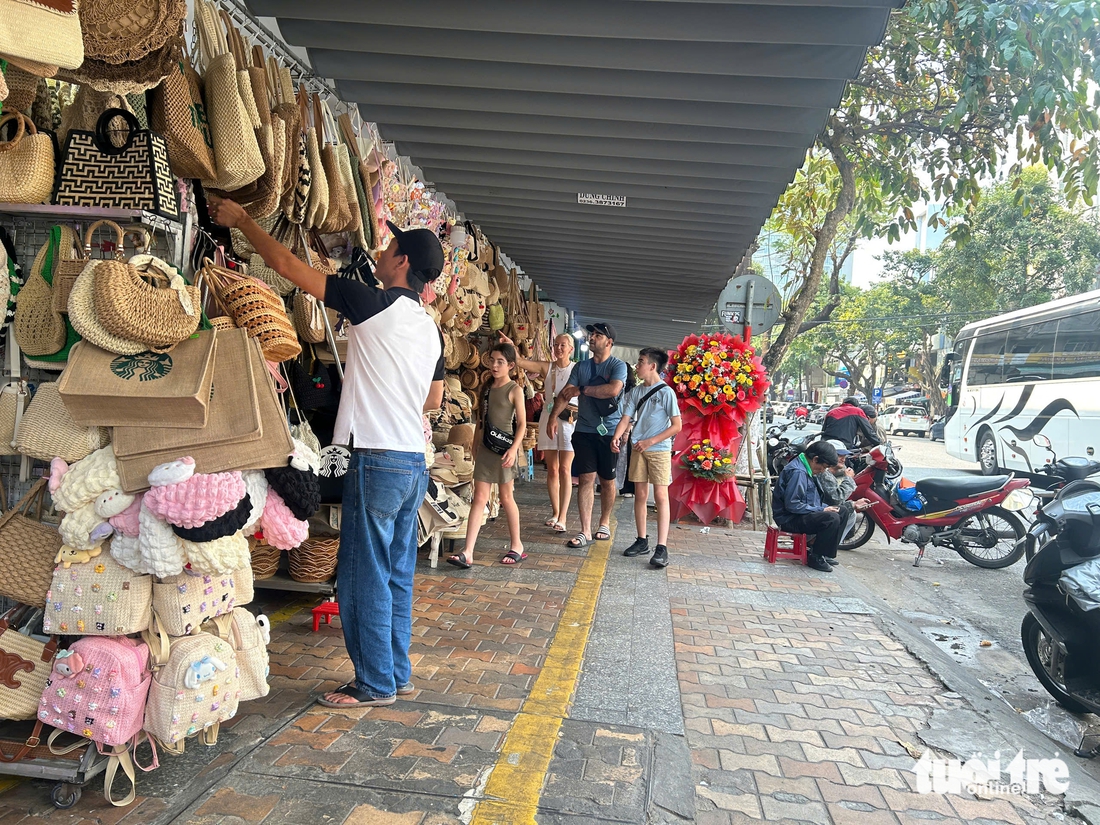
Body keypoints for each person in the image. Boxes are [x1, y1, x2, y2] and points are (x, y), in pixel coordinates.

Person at [209, 197, 444, 708]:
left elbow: (291, 269)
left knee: (361, 575)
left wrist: (244, 221)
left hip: (377, 459)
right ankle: (394, 673)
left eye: (389, 247)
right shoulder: (430, 328)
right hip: (411, 462)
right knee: (397, 574)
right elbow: (434, 400)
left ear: (402, 262)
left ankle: (374, 683)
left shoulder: (373, 303)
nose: (380, 253)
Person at [546, 322, 627, 549]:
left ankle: (603, 523)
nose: (592, 338)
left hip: (610, 432)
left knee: (607, 481)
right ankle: (584, 530)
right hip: (583, 430)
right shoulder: (581, 367)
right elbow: (564, 394)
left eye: (598, 335)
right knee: (585, 479)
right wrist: (553, 417)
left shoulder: (617, 366)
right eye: (591, 334)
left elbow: (612, 390)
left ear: (609, 342)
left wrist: (581, 390)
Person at [448, 342, 527, 568]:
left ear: (511, 365)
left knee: (506, 497)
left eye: (500, 362)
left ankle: (517, 545)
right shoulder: (486, 387)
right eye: (492, 360)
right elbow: (480, 421)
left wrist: (513, 450)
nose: (494, 365)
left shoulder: (515, 390)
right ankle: (468, 551)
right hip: (484, 449)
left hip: (504, 451)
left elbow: (521, 424)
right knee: (479, 498)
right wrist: (474, 445)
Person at [499, 331, 576, 533]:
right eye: (556, 344)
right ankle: (555, 512)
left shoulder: (578, 369)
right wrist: (511, 346)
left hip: (569, 421)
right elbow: (521, 362)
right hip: (548, 418)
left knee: (566, 469)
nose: (559, 348)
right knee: (552, 469)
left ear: (571, 349)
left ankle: (564, 517)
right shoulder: (547, 367)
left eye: (563, 345)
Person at [612, 348, 681, 568]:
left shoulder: (666, 392)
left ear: (652, 366)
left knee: (661, 495)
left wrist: (650, 441)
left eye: (640, 362)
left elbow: (677, 426)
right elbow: (626, 418)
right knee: (639, 494)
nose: (637, 366)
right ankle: (642, 540)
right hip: (638, 449)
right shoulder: (636, 392)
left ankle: (662, 547)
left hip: (658, 449)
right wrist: (616, 437)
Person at [772, 440, 845, 572]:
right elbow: (792, 504)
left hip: (801, 514)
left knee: (843, 511)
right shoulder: (798, 472)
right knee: (831, 518)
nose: (823, 470)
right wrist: (821, 509)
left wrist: (824, 508)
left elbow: (809, 500)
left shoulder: (805, 467)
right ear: (815, 459)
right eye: (823, 466)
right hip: (789, 519)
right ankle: (815, 557)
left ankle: (823, 552)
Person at [815, 439, 872, 548]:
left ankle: (829, 549)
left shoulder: (832, 473)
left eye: (844, 455)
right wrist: (849, 479)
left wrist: (853, 504)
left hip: (821, 507)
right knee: (846, 512)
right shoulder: (824, 474)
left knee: (850, 512)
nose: (843, 458)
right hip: (817, 510)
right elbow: (836, 498)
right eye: (839, 455)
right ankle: (824, 551)